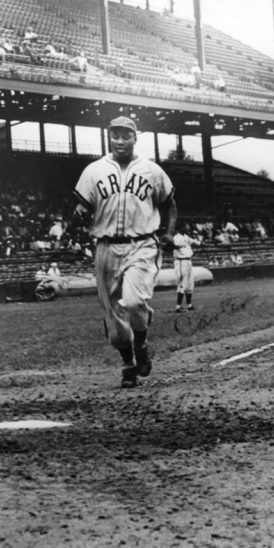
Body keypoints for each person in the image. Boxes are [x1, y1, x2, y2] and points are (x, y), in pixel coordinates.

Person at [74, 116, 176, 389]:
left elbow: (169, 204)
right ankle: (128, 362)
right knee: (113, 316)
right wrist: (79, 214)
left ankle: (141, 343)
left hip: (142, 243)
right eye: (115, 135)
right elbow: (83, 205)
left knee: (133, 301)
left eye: (126, 135)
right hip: (106, 246)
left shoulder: (151, 170)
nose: (120, 141)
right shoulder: (94, 170)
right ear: (110, 138)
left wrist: (168, 232)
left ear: (135, 138)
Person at [172, 221, 196, 312]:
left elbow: (192, 241)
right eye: (185, 226)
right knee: (182, 283)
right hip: (181, 261)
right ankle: (178, 306)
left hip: (188, 261)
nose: (187, 227)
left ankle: (189, 305)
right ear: (180, 228)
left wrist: (201, 243)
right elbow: (175, 245)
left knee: (190, 283)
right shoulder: (177, 237)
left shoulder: (185, 237)